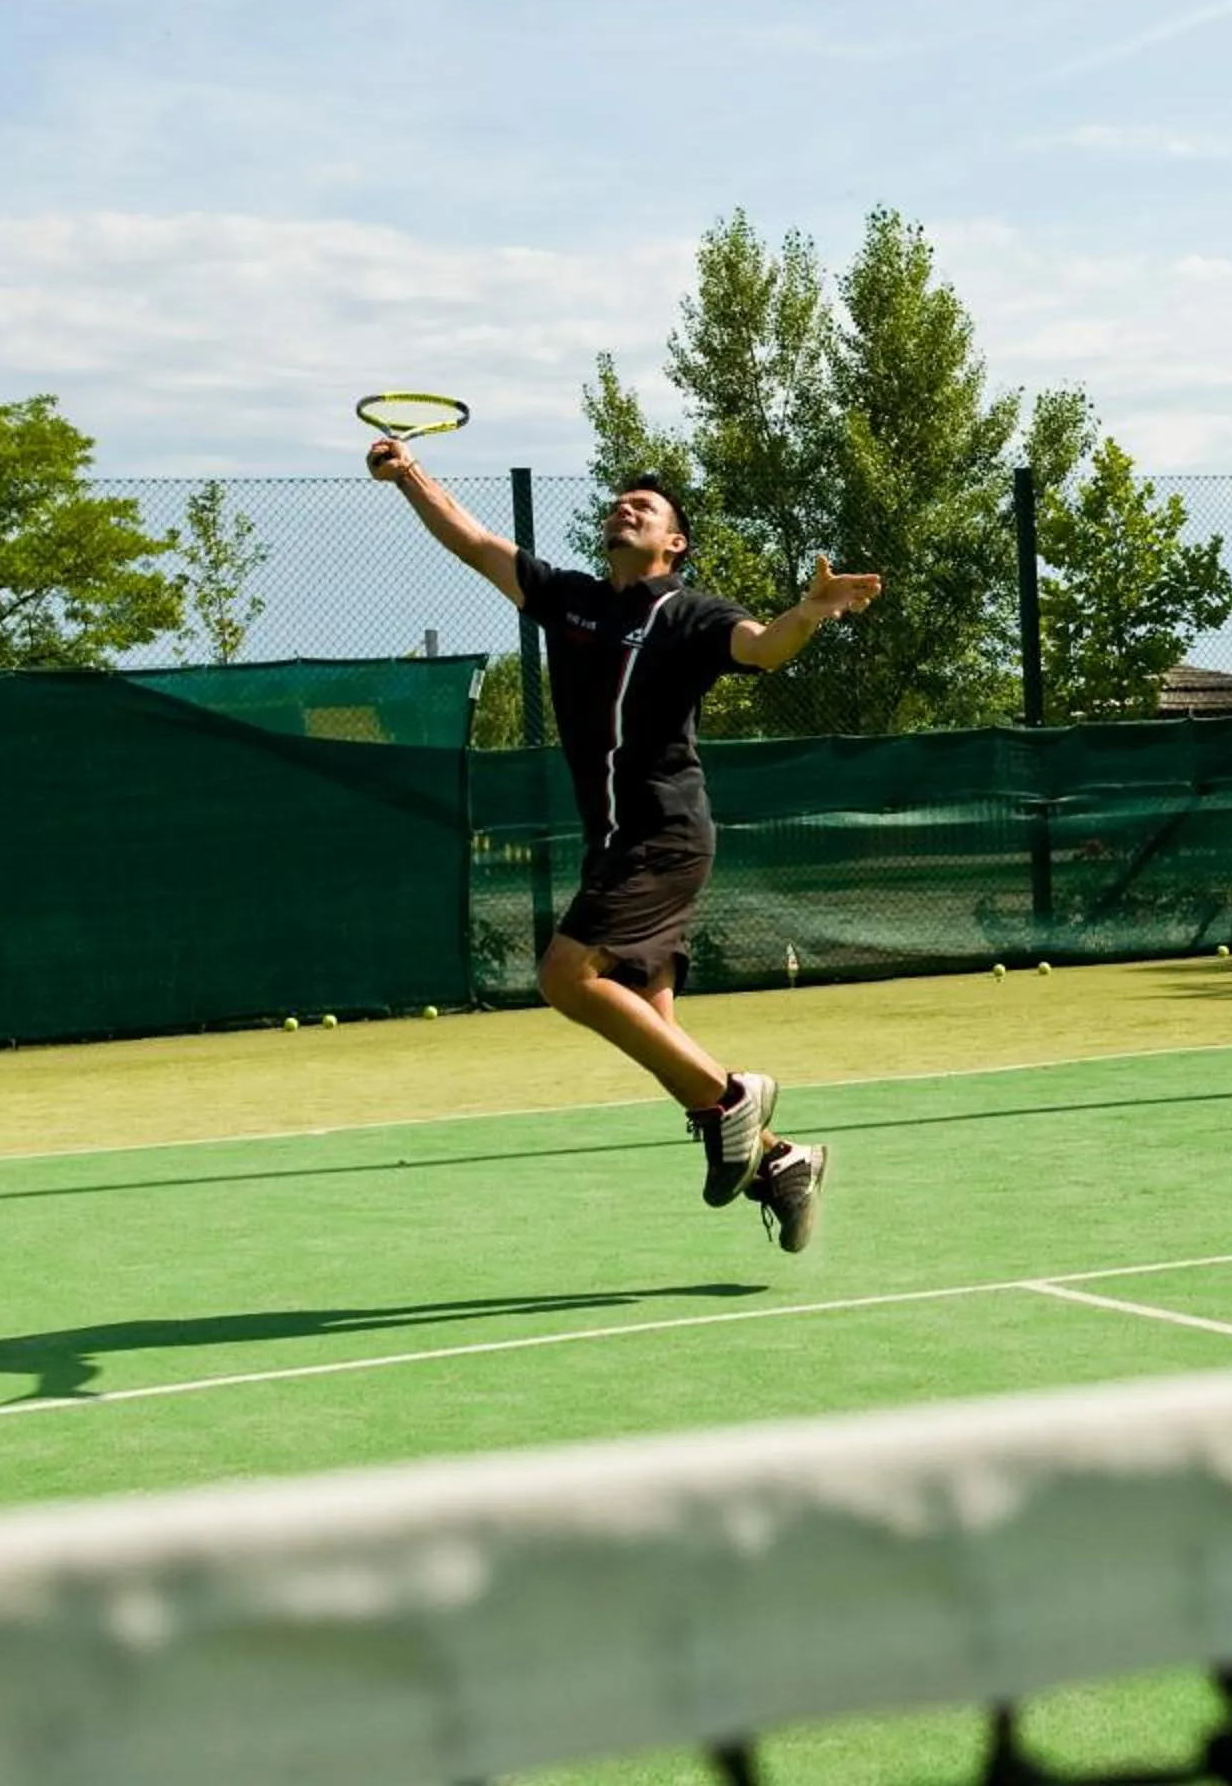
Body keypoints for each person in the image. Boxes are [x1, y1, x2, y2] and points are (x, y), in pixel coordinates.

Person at [370, 437, 881, 1252]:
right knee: (653, 1027)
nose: (624, 509)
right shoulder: (569, 601)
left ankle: (734, 1098)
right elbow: (473, 542)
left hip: (663, 835)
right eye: (618, 503)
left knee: (565, 976)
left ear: (674, 542)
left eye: (643, 507)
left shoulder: (690, 615)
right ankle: (781, 1162)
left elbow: (761, 647)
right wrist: (408, 476)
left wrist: (810, 614)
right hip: (614, 843)